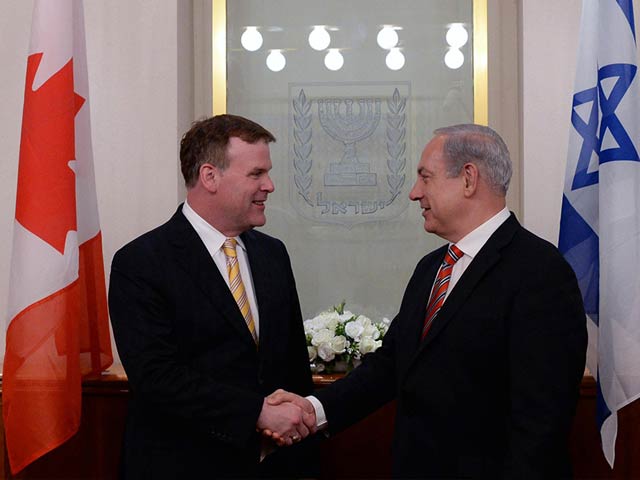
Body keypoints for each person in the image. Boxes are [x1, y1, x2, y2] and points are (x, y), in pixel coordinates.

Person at [268, 124, 588, 479]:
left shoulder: (540, 273)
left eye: (425, 177)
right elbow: (391, 364)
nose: (414, 193)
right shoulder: (432, 267)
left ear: (468, 179)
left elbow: (541, 422)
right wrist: (315, 410)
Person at [108, 114, 316, 479]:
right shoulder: (142, 262)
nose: (270, 185)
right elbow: (157, 377)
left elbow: (292, 363)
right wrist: (257, 413)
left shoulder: (273, 254)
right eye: (256, 174)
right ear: (209, 176)